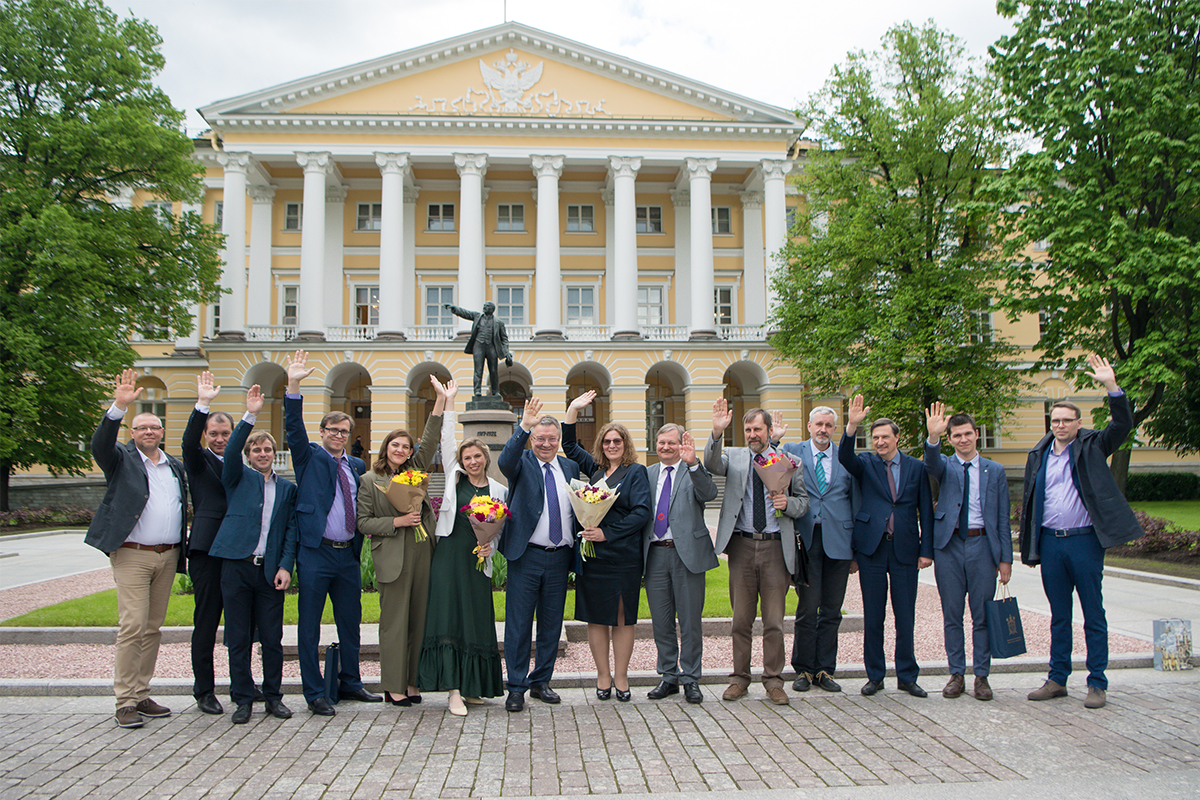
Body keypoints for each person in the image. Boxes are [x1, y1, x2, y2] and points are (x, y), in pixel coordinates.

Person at [1021, 355, 1142, 710]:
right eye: (1054, 420)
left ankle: (1097, 682)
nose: (1059, 425)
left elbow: (1122, 425)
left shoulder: (1093, 445)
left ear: (1078, 423)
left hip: (1085, 541)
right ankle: (1057, 678)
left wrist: (1111, 386)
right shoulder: (1039, 453)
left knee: (1093, 613)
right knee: (1059, 615)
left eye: (1066, 420)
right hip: (1052, 543)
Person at [85, 368, 188, 729]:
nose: (149, 432)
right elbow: (100, 445)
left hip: (167, 554)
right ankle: (125, 700)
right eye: (142, 427)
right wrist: (118, 406)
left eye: (154, 428)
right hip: (132, 554)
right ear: (132, 433)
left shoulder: (173, 466)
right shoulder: (120, 459)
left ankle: (142, 693)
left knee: (153, 627)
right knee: (132, 626)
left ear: (162, 432)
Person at [284, 350, 381, 715]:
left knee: (350, 622)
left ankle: (351, 681)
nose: (339, 435)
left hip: (347, 555)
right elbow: (293, 429)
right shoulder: (309, 455)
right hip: (315, 552)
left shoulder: (356, 464)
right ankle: (313, 693)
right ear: (322, 432)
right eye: (333, 431)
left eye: (344, 431)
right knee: (309, 625)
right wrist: (294, 385)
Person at [704, 400, 808, 706]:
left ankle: (774, 680)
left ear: (768, 431)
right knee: (741, 620)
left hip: (776, 546)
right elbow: (711, 465)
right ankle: (739, 678)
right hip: (742, 545)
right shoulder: (735, 457)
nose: (752, 434)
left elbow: (804, 502)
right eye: (747, 429)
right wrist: (716, 432)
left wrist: (789, 505)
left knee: (774, 620)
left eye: (757, 429)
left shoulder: (788, 461)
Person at [209, 384, 299, 723]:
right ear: (249, 455)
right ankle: (243, 698)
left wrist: (286, 566)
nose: (262, 453)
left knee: (272, 639)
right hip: (236, 566)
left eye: (267, 449)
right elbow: (229, 451)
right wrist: (250, 415)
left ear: (274, 454)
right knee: (239, 637)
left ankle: (274, 697)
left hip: (269, 570)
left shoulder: (287, 488)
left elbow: (291, 529)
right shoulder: (236, 477)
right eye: (256, 449)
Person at [418, 380, 507, 715]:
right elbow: (445, 440)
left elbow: (498, 530)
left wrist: (491, 547)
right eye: (467, 457)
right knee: (449, 619)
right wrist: (450, 402)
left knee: (475, 619)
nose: (472, 461)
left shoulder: (498, 489)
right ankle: (453, 689)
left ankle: (473, 687)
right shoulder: (454, 478)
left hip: (476, 562)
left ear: (485, 458)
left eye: (477, 456)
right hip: (450, 555)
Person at [356, 376, 446, 707]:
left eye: (406, 447)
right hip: (393, 554)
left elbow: (430, 439)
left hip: (422, 551)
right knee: (395, 624)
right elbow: (363, 522)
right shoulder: (369, 480)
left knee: (419, 621)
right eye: (396, 446)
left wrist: (440, 401)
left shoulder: (416, 472)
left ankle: (412, 682)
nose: (402, 451)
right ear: (386, 448)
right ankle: (392, 686)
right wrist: (396, 521)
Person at [839, 395, 934, 698]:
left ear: (897, 438)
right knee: (874, 616)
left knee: (905, 616)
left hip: (906, 548)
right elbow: (845, 457)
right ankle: (875, 675)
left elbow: (926, 511)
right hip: (872, 549)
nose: (879, 442)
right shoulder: (865, 463)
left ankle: (907, 675)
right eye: (875, 437)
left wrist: (926, 549)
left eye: (884, 437)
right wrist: (852, 426)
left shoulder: (916, 468)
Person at [562, 391, 652, 702]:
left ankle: (622, 677)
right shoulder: (596, 471)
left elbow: (641, 513)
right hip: (594, 558)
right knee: (596, 617)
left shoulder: (636, 473)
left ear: (625, 445)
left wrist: (607, 533)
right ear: (601, 445)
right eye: (607, 442)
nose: (611, 446)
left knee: (623, 617)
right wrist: (573, 409)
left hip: (623, 556)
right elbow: (570, 446)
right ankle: (602, 675)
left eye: (617, 441)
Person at [497, 396, 581, 712]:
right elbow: (504, 461)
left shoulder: (569, 467)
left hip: (560, 556)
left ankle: (541, 682)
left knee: (550, 623)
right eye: (540, 438)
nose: (546, 444)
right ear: (533, 439)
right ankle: (516, 686)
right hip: (526, 556)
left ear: (559, 441)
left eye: (551, 439)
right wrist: (523, 427)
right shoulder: (521, 463)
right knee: (519, 625)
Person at [923, 403, 1012, 701]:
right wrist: (932, 437)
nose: (963, 439)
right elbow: (931, 464)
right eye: (956, 435)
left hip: (982, 546)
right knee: (952, 615)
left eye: (967, 434)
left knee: (982, 615)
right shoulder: (945, 465)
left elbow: (1002, 517)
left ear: (977, 435)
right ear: (950, 439)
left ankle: (982, 676)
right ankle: (956, 674)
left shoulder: (995, 471)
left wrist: (1005, 559)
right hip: (948, 546)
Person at [771, 407, 859, 694]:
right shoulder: (794, 450)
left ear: (835, 428)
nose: (823, 429)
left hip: (839, 540)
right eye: (819, 424)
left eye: (829, 425)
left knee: (832, 609)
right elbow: (771, 470)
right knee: (808, 608)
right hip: (806, 539)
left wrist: (856, 550)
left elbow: (854, 499)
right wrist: (775, 441)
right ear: (809, 426)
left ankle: (824, 669)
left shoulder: (845, 457)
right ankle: (804, 669)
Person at [643, 423, 718, 704]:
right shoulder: (648, 474)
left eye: (671, 443)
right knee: (661, 622)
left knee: (689, 622)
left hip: (687, 555)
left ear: (681, 444)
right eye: (661, 443)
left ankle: (691, 678)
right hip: (655, 555)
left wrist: (694, 463)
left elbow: (709, 494)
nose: (665, 447)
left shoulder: (692, 470)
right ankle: (668, 676)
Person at [180, 371, 235, 716]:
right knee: (207, 623)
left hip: (237, 553)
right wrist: (202, 404)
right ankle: (204, 690)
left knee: (242, 624)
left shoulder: (240, 462)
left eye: (224, 433)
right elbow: (187, 443)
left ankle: (243, 683)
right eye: (213, 434)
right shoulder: (198, 461)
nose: (219, 439)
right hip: (207, 551)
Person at [444, 301, 513, 397]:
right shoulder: (477, 316)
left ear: (492, 309)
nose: (484, 307)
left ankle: (495, 391)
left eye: (487, 306)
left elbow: (504, 339)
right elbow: (466, 313)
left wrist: (506, 353)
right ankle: (477, 391)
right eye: (484, 306)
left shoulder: (499, 323)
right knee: (478, 370)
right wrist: (455, 309)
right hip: (478, 346)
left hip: (491, 347)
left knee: (493, 370)